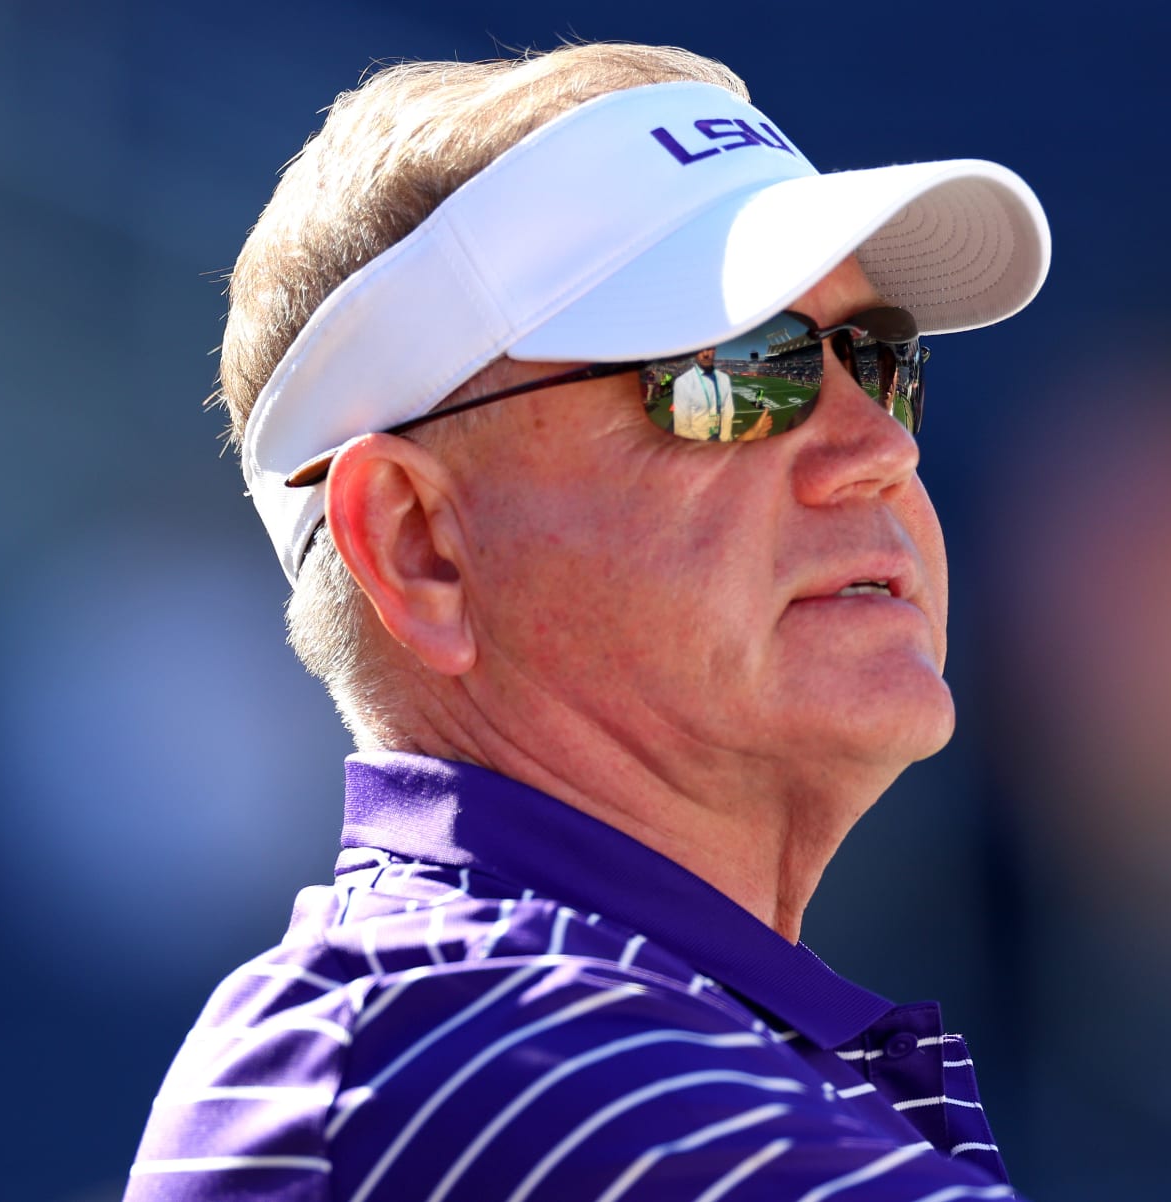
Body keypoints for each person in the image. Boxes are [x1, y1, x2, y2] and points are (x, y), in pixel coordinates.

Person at [126, 42, 1050, 1201]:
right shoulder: (458, 1052)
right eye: (733, 367)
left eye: (878, 359)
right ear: (419, 544)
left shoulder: (490, 1046)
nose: (880, 448)